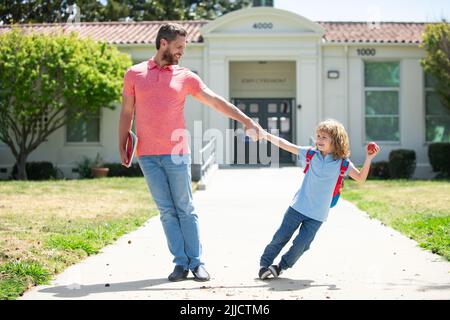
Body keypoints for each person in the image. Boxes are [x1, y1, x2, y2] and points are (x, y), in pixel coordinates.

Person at [118, 23, 262, 282]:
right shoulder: (135, 74)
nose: (182, 52)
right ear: (163, 42)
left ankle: (197, 263)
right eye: (179, 47)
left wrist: (246, 120)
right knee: (166, 210)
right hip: (147, 155)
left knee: (184, 208)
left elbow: (216, 101)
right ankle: (180, 263)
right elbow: (127, 112)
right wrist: (123, 146)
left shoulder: (185, 76)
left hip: (176, 153)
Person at [257, 119, 380, 280]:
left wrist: (369, 158)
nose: (319, 140)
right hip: (297, 207)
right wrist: (266, 135)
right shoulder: (311, 154)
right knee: (280, 237)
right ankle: (264, 265)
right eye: (318, 136)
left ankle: (280, 267)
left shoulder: (342, 163)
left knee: (301, 245)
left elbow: (360, 178)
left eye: (324, 137)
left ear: (336, 141)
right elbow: (287, 145)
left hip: (317, 215)